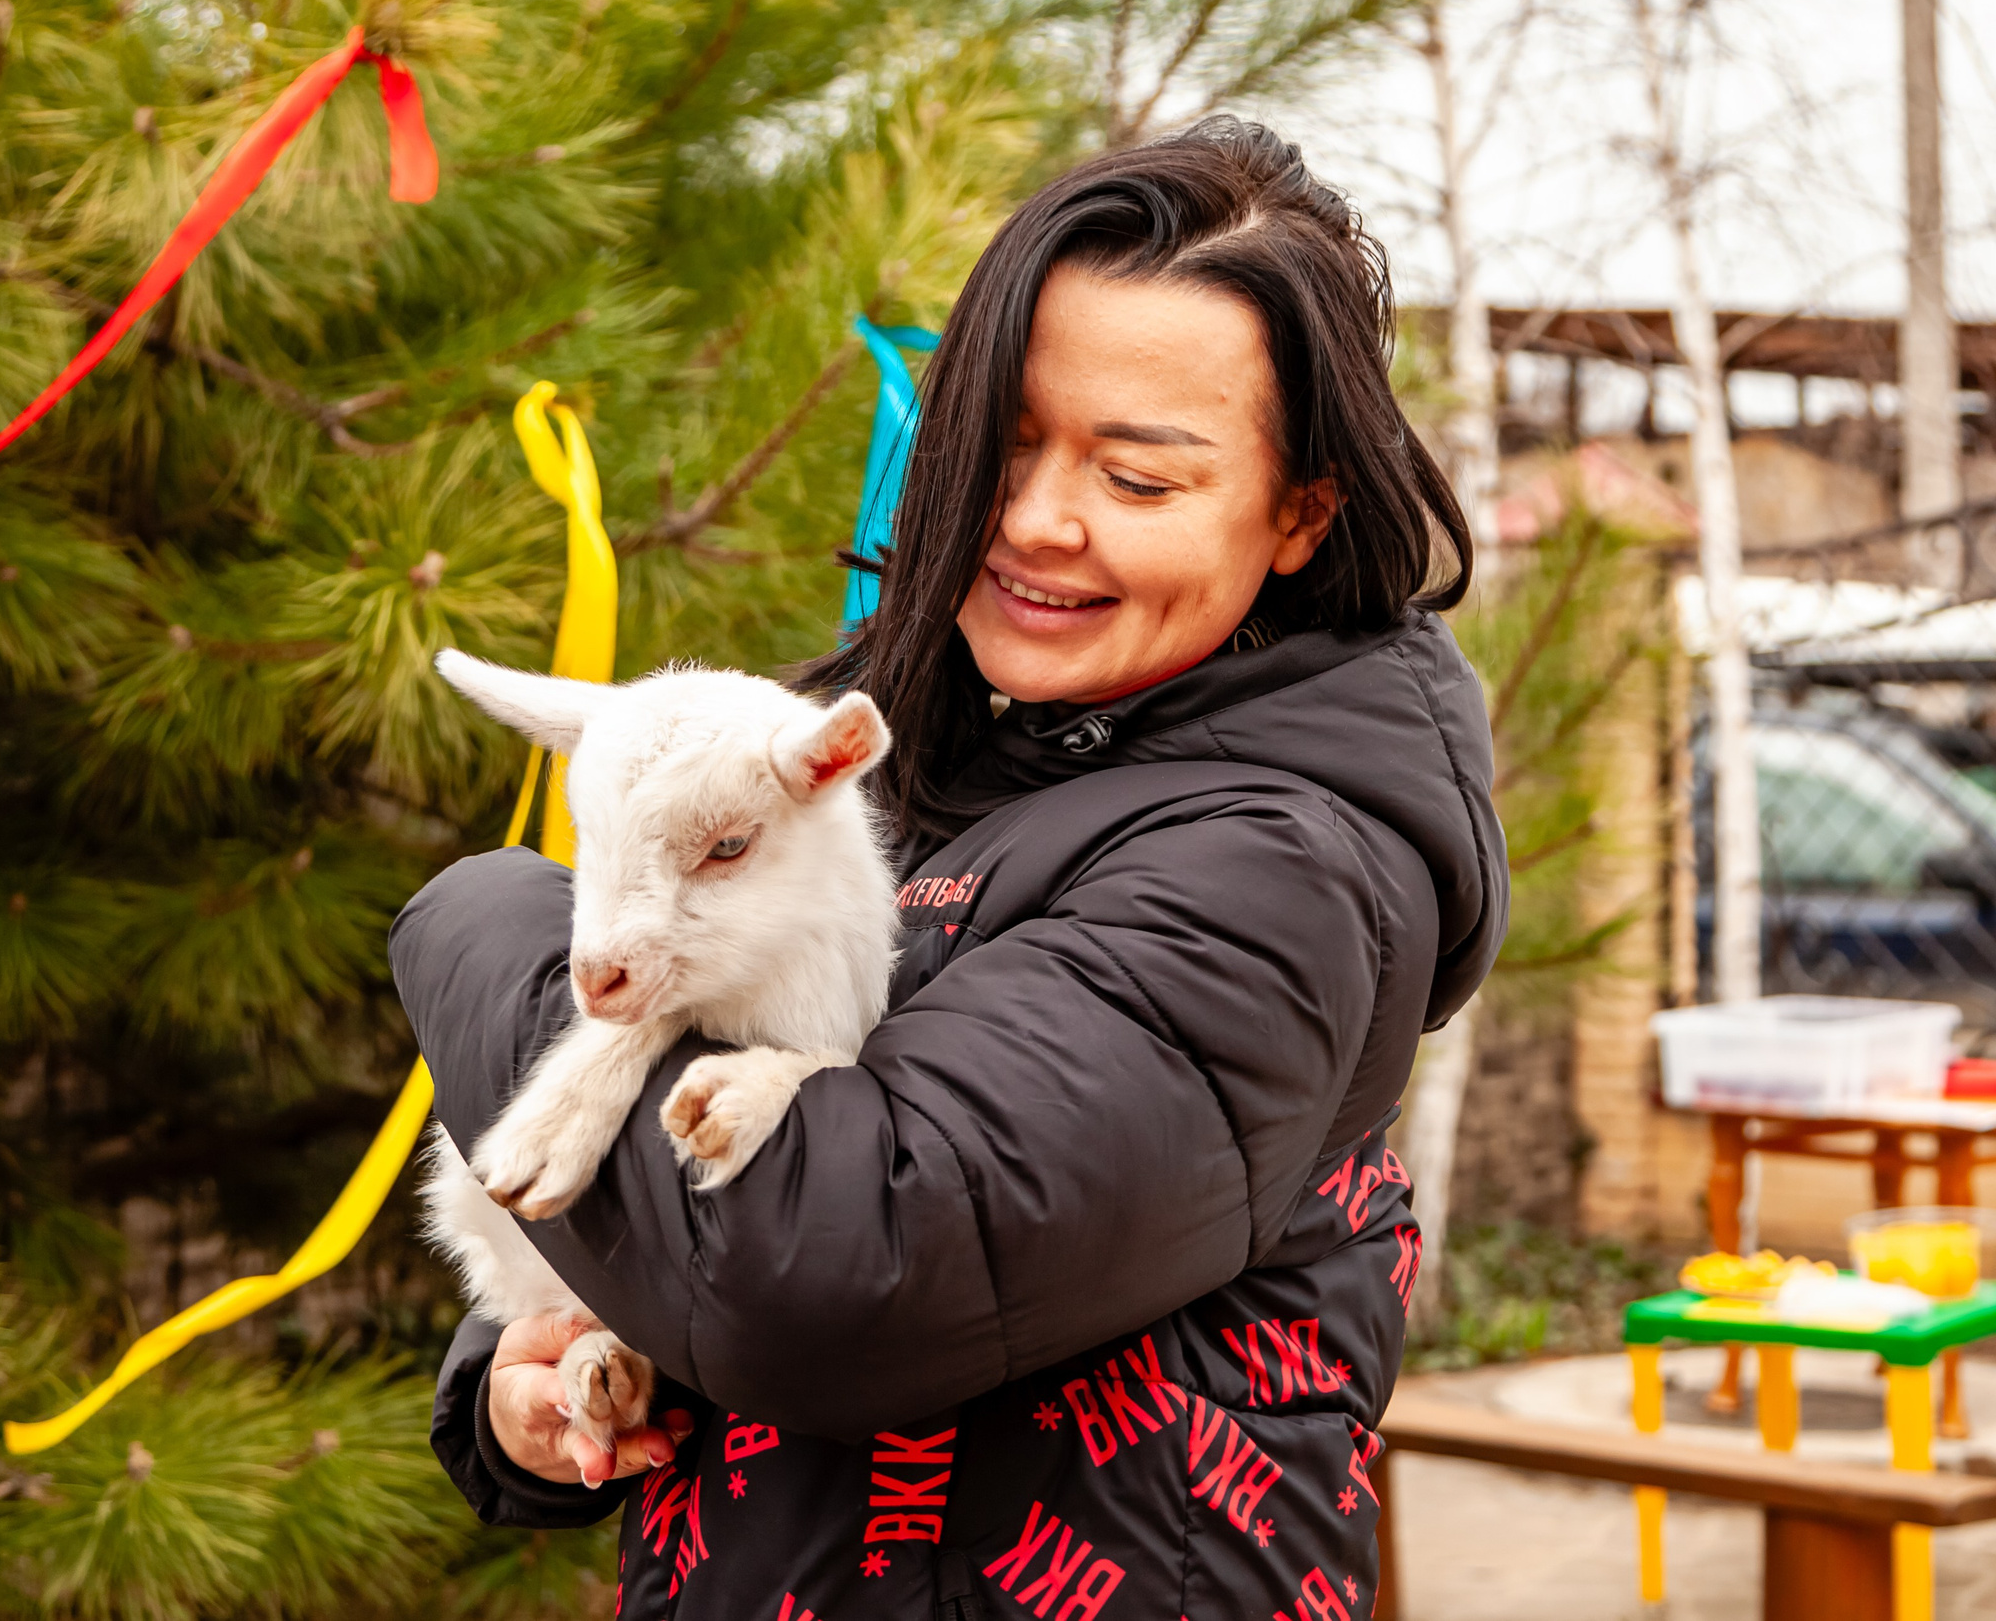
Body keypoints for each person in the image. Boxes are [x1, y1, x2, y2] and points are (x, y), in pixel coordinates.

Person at [392, 117, 1504, 1621]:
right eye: (1008, 443)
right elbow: (700, 1174)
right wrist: (542, 1364)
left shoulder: (1281, 866)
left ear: (1299, 512)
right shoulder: (908, 757)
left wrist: (481, 921)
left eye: (1142, 478)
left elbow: (841, 1269)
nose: (1040, 520)